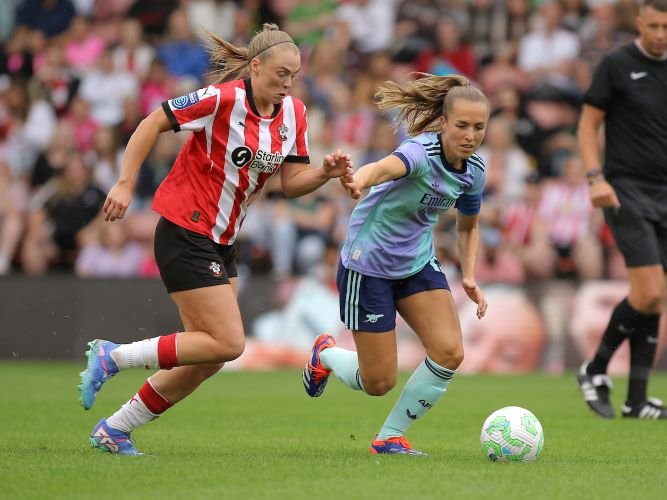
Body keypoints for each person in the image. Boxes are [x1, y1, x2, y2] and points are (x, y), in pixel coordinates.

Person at [78, 23, 353, 455]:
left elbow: (293, 182)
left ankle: (114, 429)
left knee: (209, 357)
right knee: (229, 342)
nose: (287, 83)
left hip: (222, 240)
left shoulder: (295, 115)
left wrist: (325, 173)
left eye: (294, 76)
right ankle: (113, 356)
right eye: (280, 73)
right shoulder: (222, 99)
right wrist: (126, 182)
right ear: (256, 65)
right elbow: (153, 122)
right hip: (185, 229)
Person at [303, 73, 489, 455]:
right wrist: (357, 180)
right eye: (462, 125)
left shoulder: (474, 172)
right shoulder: (421, 153)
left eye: (479, 127)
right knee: (377, 382)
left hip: (417, 263)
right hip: (367, 266)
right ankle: (325, 355)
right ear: (443, 123)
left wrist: (469, 274)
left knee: (450, 352)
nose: (470, 135)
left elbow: (468, 226)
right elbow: (383, 168)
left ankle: (389, 437)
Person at [576, 0, 667, 420]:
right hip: (624, 189)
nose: (660, 35)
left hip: (664, 194)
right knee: (648, 291)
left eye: (666, 27)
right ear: (639, 22)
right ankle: (594, 369)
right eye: (654, 26)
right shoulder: (616, 64)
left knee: (654, 298)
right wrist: (595, 178)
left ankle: (635, 400)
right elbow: (588, 124)